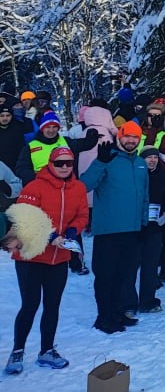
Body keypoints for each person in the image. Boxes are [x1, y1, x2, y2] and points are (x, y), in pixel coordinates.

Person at [3, 147, 88, 374]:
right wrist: (50, 236)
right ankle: (17, 351)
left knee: (52, 305)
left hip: (59, 257)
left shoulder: (78, 187)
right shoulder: (35, 186)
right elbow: (24, 217)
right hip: (31, 256)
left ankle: (47, 350)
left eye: (68, 163)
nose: (64, 167)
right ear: (50, 164)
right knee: (30, 305)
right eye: (59, 163)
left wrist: (72, 231)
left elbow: (82, 215)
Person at [82, 121, 149, 334]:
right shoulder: (107, 159)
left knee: (124, 275)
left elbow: (144, 196)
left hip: (132, 229)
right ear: (119, 136)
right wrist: (100, 162)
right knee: (106, 276)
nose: (130, 140)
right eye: (127, 136)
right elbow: (85, 185)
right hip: (109, 230)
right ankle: (104, 317)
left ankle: (118, 311)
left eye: (135, 138)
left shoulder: (140, 163)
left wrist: (144, 223)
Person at [137, 146, 165, 313]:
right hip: (135, 225)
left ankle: (148, 301)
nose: (152, 160)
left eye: (155, 157)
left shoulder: (162, 175)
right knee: (130, 266)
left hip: (155, 225)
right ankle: (127, 302)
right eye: (148, 157)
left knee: (150, 265)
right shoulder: (135, 175)